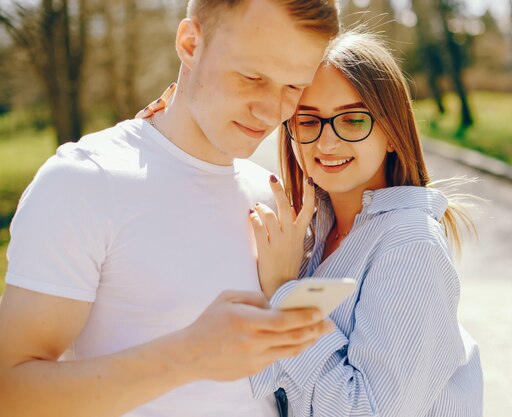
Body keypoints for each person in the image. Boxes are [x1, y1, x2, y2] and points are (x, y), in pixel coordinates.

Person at [0, 1, 340, 417]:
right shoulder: (86, 181)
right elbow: (10, 393)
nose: (272, 112)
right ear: (191, 44)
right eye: (252, 77)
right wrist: (189, 354)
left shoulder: (274, 202)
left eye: (293, 87)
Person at [246, 31, 484, 416]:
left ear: (392, 132)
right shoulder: (306, 238)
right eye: (308, 121)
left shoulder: (410, 245)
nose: (326, 143)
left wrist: (284, 294)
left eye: (353, 120)